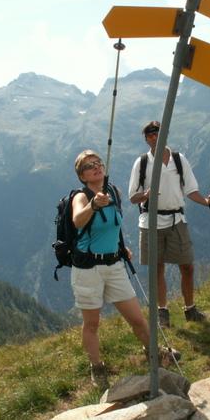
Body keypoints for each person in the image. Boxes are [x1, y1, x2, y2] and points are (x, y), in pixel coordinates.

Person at [70, 149, 177, 389]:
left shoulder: (114, 192)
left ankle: (154, 353)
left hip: (114, 264)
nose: (96, 167)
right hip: (88, 269)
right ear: (82, 176)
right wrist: (94, 206)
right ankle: (97, 367)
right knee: (92, 324)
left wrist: (121, 246)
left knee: (137, 318)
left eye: (98, 162)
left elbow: (114, 226)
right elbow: (77, 220)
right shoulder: (81, 196)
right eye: (89, 166)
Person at [128, 121, 210, 328]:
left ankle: (190, 309)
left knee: (187, 266)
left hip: (177, 219)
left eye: (157, 134)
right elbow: (133, 197)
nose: (153, 137)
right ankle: (163, 312)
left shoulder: (179, 159)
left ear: (164, 135)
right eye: (149, 135)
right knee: (157, 267)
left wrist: (207, 202)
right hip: (150, 221)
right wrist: (147, 194)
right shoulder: (142, 163)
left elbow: (190, 189)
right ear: (146, 139)